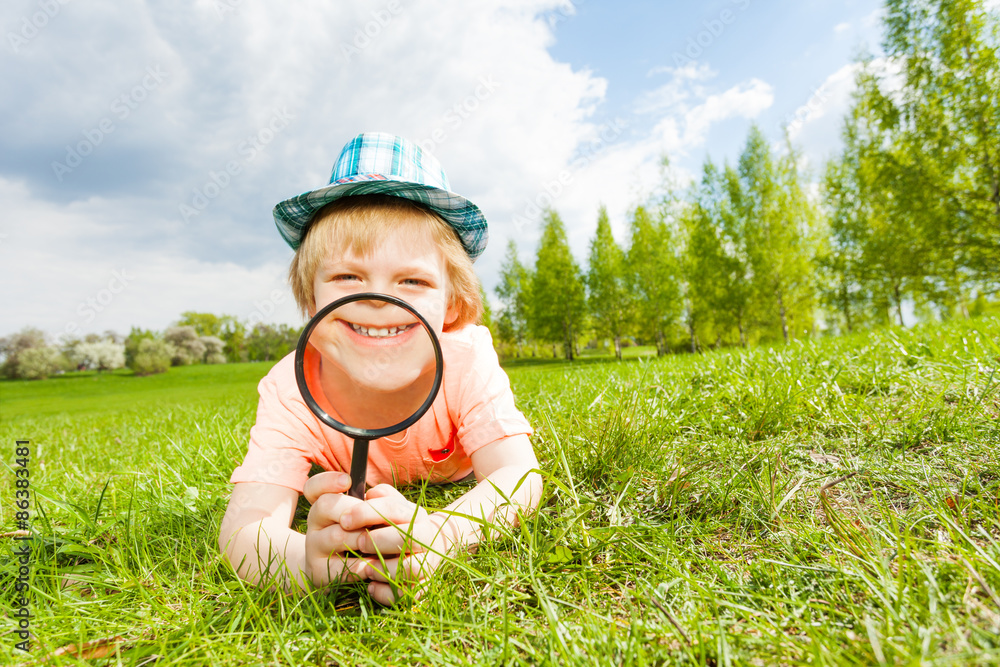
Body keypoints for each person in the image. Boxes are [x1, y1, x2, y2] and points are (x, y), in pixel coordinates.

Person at [218, 132, 541, 606]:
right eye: (347, 276)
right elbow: (244, 527)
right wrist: (304, 560)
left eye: (412, 280)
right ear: (311, 297)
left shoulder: (466, 357)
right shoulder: (291, 387)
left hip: (451, 483)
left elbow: (517, 477)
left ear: (452, 306)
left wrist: (438, 535)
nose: (375, 299)